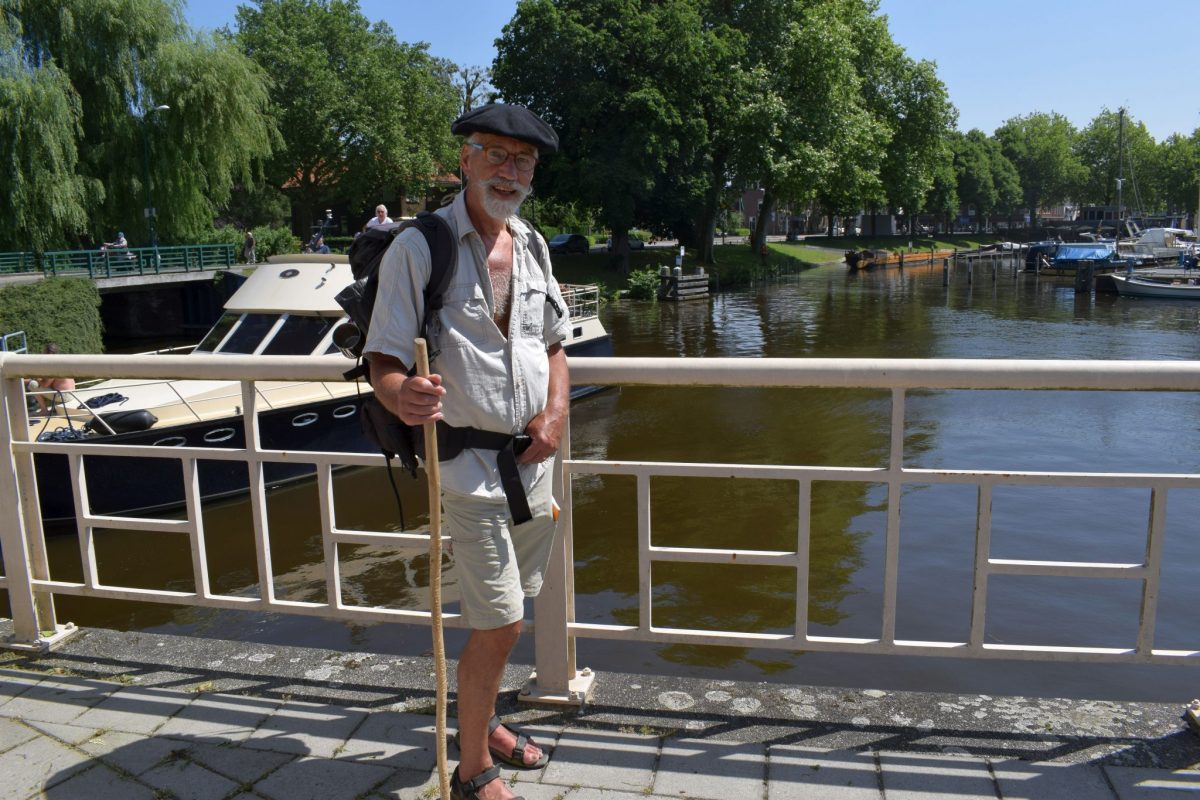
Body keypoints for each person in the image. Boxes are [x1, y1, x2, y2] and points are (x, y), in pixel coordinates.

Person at [364, 103, 568, 800]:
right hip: (467, 470)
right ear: (466, 162)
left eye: (524, 162)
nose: (510, 173)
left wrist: (558, 410)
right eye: (497, 156)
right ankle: (472, 768)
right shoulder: (421, 247)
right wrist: (401, 395)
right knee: (501, 620)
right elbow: (384, 359)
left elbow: (555, 346)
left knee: (511, 615)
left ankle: (481, 727)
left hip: (533, 465)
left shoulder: (534, 245)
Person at [29, 343, 76, 415]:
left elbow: (45, 385)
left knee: (33, 384)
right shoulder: (62, 361)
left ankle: (44, 410)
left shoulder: (53, 365)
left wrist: (36, 379)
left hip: (64, 396)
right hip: (71, 394)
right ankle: (52, 407)